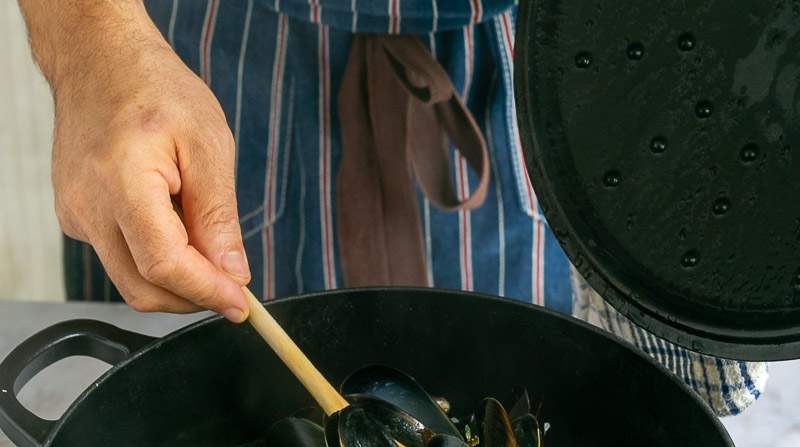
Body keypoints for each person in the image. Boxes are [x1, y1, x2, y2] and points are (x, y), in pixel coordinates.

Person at [18, 0, 766, 415]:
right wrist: (89, 37)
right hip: (195, 72)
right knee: (189, 423)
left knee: (575, 425)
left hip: (577, 66)